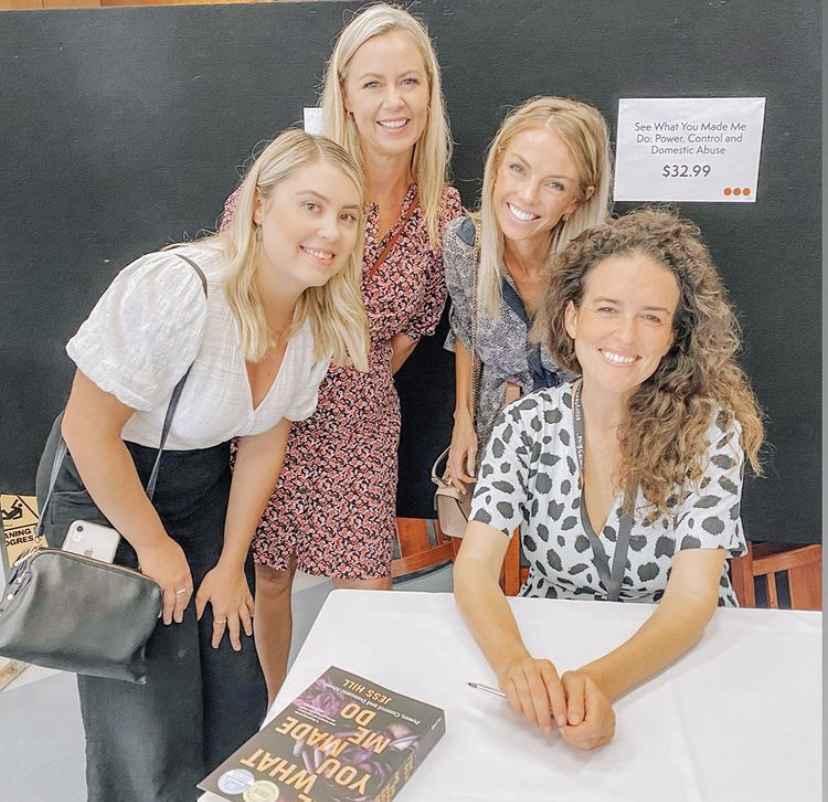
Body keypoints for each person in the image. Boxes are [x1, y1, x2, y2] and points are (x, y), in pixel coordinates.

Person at [35, 129, 369, 802]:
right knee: (149, 714)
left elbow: (265, 441)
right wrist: (154, 548)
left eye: (348, 215)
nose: (331, 232)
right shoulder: (181, 288)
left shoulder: (314, 313)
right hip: (109, 489)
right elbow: (87, 430)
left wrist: (228, 562)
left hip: (200, 491)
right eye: (310, 206)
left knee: (234, 684)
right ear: (259, 206)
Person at [453, 208, 764, 751]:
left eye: (651, 317)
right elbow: (474, 568)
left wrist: (597, 683)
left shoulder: (710, 433)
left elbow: (692, 598)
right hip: (552, 651)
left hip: (675, 663)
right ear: (571, 317)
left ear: (672, 336)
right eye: (607, 308)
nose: (625, 334)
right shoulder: (525, 423)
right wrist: (516, 667)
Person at [221, 3, 461, 703]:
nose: (394, 101)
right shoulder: (302, 176)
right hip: (270, 409)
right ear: (346, 95)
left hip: (361, 423)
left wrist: (353, 379)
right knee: (269, 575)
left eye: (409, 82)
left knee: (367, 587)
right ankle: (271, 708)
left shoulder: (441, 212)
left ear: (429, 92)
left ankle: (353, 724)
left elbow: (415, 326)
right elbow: (237, 272)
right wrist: (290, 378)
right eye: (373, 83)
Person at [444, 96, 612, 489]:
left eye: (554, 184)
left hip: (585, 454)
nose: (527, 195)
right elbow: (465, 331)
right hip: (497, 445)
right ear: (497, 166)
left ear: (578, 199)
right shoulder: (465, 246)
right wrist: (462, 422)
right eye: (518, 169)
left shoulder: (605, 265)